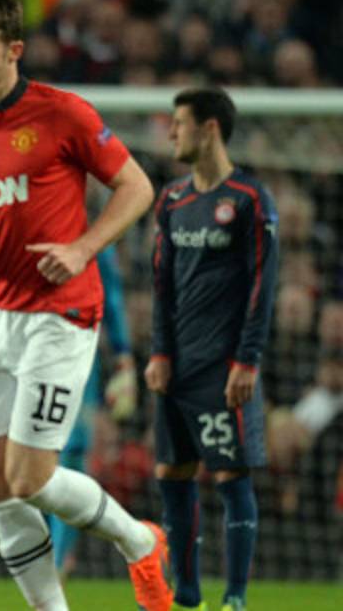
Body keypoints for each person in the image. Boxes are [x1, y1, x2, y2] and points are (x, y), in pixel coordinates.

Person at [0, 0, 171, 611]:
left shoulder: (63, 113)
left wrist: (83, 247)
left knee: (29, 477)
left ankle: (140, 541)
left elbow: (137, 187)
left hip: (61, 312)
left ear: (14, 50)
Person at [146, 87, 278, 611]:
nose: (172, 134)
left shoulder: (248, 199)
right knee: (172, 473)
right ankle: (188, 597)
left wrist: (248, 359)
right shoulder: (172, 200)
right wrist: (159, 352)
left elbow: (263, 285)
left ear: (210, 129)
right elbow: (161, 284)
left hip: (224, 366)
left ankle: (235, 599)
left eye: (179, 123)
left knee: (230, 475)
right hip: (176, 365)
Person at [48, 244, 137, 577]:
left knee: (71, 455)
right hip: (27, 353)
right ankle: (47, 553)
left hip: (77, 356)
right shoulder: (24, 227)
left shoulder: (93, 238)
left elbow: (110, 293)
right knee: (26, 461)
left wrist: (123, 356)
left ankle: (58, 559)